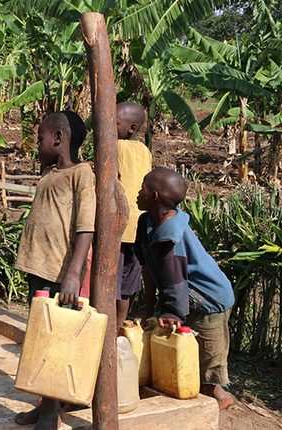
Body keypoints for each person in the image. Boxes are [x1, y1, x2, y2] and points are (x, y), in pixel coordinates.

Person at [13, 111, 95, 429]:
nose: (37, 145)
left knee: (53, 342)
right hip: (39, 268)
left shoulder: (81, 174)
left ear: (58, 138)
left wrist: (74, 273)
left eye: (40, 139)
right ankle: (46, 403)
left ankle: (50, 411)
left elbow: (86, 227)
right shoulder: (49, 173)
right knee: (39, 338)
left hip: (58, 272)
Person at [134, 168, 235, 411]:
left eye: (143, 188)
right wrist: (149, 308)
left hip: (210, 301)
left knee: (206, 372)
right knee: (187, 363)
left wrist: (172, 314)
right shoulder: (146, 222)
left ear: (154, 196)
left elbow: (175, 279)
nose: (138, 192)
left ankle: (217, 403)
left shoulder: (171, 233)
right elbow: (147, 268)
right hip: (187, 297)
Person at [115, 101, 151, 328]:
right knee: (127, 285)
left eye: (114, 123)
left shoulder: (114, 147)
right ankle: (119, 327)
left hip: (117, 227)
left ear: (131, 128)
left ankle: (107, 329)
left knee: (111, 283)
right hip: (139, 229)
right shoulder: (145, 151)